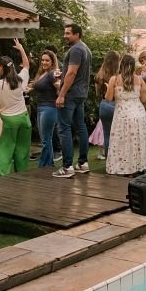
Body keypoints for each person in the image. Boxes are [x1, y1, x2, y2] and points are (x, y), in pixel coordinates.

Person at [54, 24, 93, 178]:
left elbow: (71, 73)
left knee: (64, 128)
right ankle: (83, 163)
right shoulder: (86, 49)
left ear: (77, 34)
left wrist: (62, 94)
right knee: (81, 127)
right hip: (81, 94)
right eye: (65, 33)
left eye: (68, 33)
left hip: (70, 94)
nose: (65, 36)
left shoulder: (76, 50)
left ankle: (67, 167)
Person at [104, 54, 146, 176]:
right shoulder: (139, 80)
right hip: (139, 115)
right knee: (137, 143)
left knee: (123, 143)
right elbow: (145, 98)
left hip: (122, 115)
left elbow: (108, 98)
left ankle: (124, 168)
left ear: (121, 65)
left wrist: (108, 88)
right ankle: (137, 168)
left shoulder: (114, 79)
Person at [0, 41, 31, 175]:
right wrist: (21, 49)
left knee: (4, 151)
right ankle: (22, 176)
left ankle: (2, 178)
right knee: (22, 151)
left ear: (1, 68)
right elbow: (26, 65)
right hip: (24, 119)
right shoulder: (20, 80)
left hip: (7, 121)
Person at [29, 50, 61, 167]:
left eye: (47, 60)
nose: (44, 62)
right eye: (42, 60)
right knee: (46, 139)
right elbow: (38, 86)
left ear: (52, 61)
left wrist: (60, 87)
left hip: (49, 108)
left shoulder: (52, 73)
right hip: (41, 107)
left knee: (45, 140)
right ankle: (49, 164)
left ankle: (43, 165)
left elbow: (59, 86)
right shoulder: (42, 73)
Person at [95, 51, 120, 162]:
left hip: (104, 105)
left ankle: (109, 160)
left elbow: (97, 93)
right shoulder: (119, 76)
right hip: (116, 104)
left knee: (107, 134)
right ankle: (117, 160)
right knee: (119, 134)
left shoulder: (99, 75)